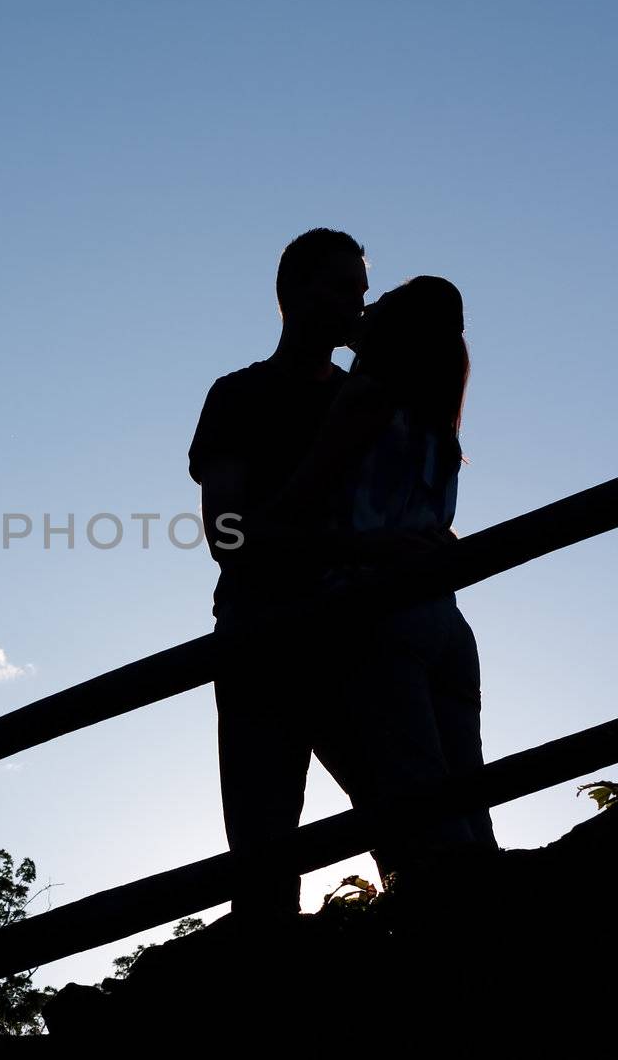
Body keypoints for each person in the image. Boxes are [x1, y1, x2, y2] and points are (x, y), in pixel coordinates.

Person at [277, 275, 498, 883]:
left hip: (379, 609)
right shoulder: (437, 413)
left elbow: (299, 503)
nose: (360, 312)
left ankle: (446, 926)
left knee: (417, 802)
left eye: (375, 306)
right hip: (445, 622)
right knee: (467, 800)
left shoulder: (368, 398)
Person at [187, 227, 369, 922]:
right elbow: (225, 536)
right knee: (264, 847)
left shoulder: (367, 399)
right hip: (261, 635)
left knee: (406, 809)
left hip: (356, 633)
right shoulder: (237, 396)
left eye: (362, 290)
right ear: (291, 295)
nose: (357, 304)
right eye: (342, 288)